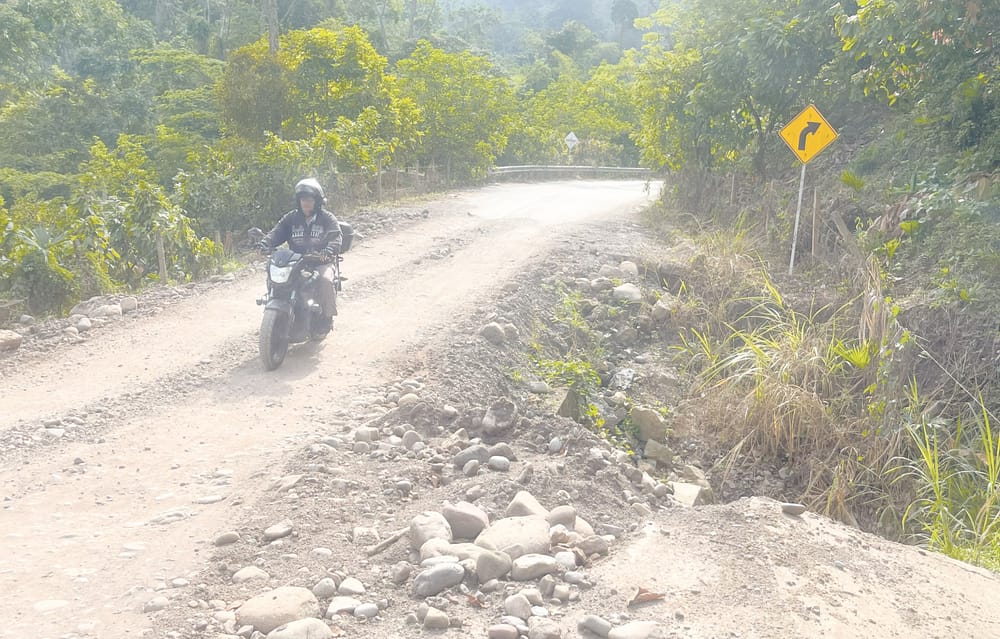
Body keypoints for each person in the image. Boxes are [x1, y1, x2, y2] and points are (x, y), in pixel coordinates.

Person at [258, 178, 343, 335]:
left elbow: (336, 237)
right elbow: (277, 232)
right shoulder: (291, 218)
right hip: (296, 261)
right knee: (276, 277)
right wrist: (265, 243)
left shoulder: (327, 218)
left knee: (325, 280)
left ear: (317, 201)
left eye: (310, 199)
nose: (306, 203)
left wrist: (329, 250)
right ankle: (275, 311)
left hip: (320, 261)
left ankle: (326, 318)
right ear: (299, 201)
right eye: (303, 199)